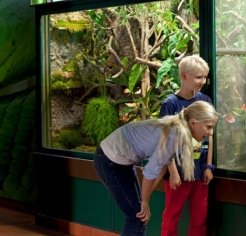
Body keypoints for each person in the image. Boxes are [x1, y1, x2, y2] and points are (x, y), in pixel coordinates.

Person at [93, 100, 219, 236]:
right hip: (110, 161)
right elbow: (150, 172)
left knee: (138, 215)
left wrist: (144, 199)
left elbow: (161, 165)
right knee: (137, 217)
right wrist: (145, 201)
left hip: (119, 161)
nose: (210, 132)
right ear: (193, 123)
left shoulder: (179, 130)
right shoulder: (175, 134)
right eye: (208, 127)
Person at [160, 55, 214, 236]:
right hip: (178, 173)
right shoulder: (171, 104)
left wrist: (208, 166)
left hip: (199, 171)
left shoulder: (205, 100)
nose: (202, 81)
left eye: (204, 77)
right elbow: (165, 141)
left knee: (200, 217)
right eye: (198, 77)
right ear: (183, 76)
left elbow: (210, 135)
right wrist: (173, 172)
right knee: (172, 216)